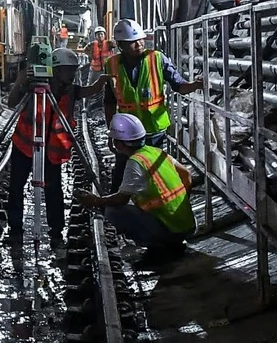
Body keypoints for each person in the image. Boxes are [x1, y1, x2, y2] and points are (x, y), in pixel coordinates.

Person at [76, 112, 195, 264]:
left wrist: (95, 201)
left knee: (113, 210)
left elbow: (120, 200)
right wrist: (181, 202)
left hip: (171, 231)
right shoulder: (156, 152)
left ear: (119, 143)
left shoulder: (135, 162)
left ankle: (160, 244)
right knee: (130, 202)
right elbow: (186, 174)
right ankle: (167, 238)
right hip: (188, 224)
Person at [92, 18, 203, 152]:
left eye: (140, 39)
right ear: (121, 45)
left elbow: (179, 86)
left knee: (153, 171)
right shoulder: (111, 65)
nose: (139, 44)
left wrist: (196, 85)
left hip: (154, 131)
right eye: (132, 41)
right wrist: (112, 133)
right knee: (128, 170)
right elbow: (109, 102)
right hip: (127, 132)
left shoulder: (157, 58)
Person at [6, 41, 73, 254]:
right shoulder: (32, 88)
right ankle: (15, 231)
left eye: (73, 71)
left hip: (50, 151)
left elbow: (87, 91)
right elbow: (11, 103)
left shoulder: (67, 91)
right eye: (67, 71)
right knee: (16, 187)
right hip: (24, 145)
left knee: (54, 190)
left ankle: (56, 234)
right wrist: (20, 81)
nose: (71, 75)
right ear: (56, 69)